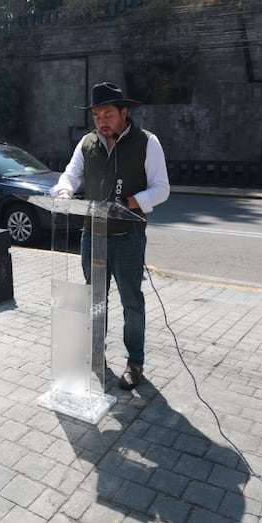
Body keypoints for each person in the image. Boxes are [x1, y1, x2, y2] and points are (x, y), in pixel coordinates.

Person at [52, 81, 170, 390]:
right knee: (94, 300)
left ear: (124, 112)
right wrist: (64, 192)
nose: (102, 121)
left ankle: (135, 361)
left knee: (132, 302)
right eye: (97, 116)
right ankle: (95, 352)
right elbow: (71, 175)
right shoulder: (87, 143)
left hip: (128, 236)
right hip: (93, 234)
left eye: (108, 114)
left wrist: (130, 202)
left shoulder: (147, 142)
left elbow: (162, 189)